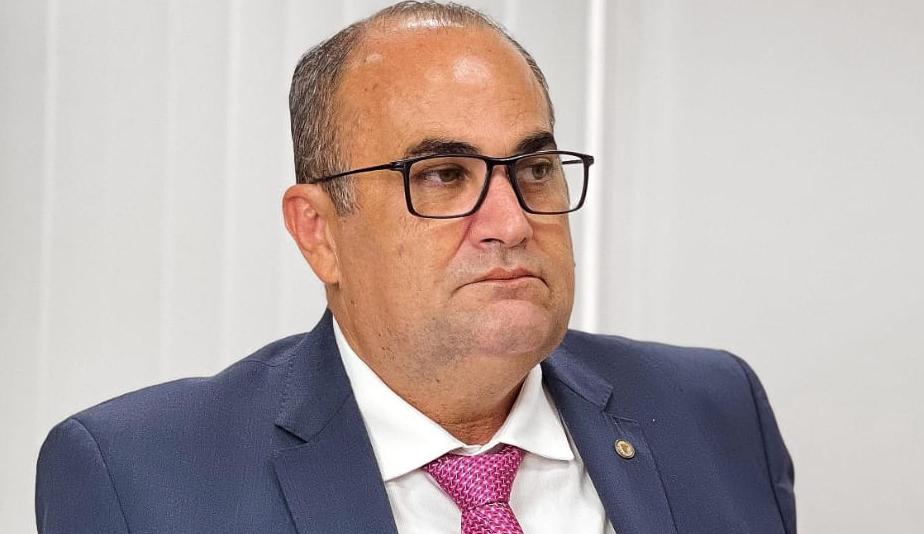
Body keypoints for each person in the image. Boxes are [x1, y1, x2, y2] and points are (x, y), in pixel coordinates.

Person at [35, 2, 795, 533]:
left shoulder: (715, 412)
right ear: (318, 233)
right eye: (441, 176)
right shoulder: (140, 476)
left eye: (534, 168)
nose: (511, 222)